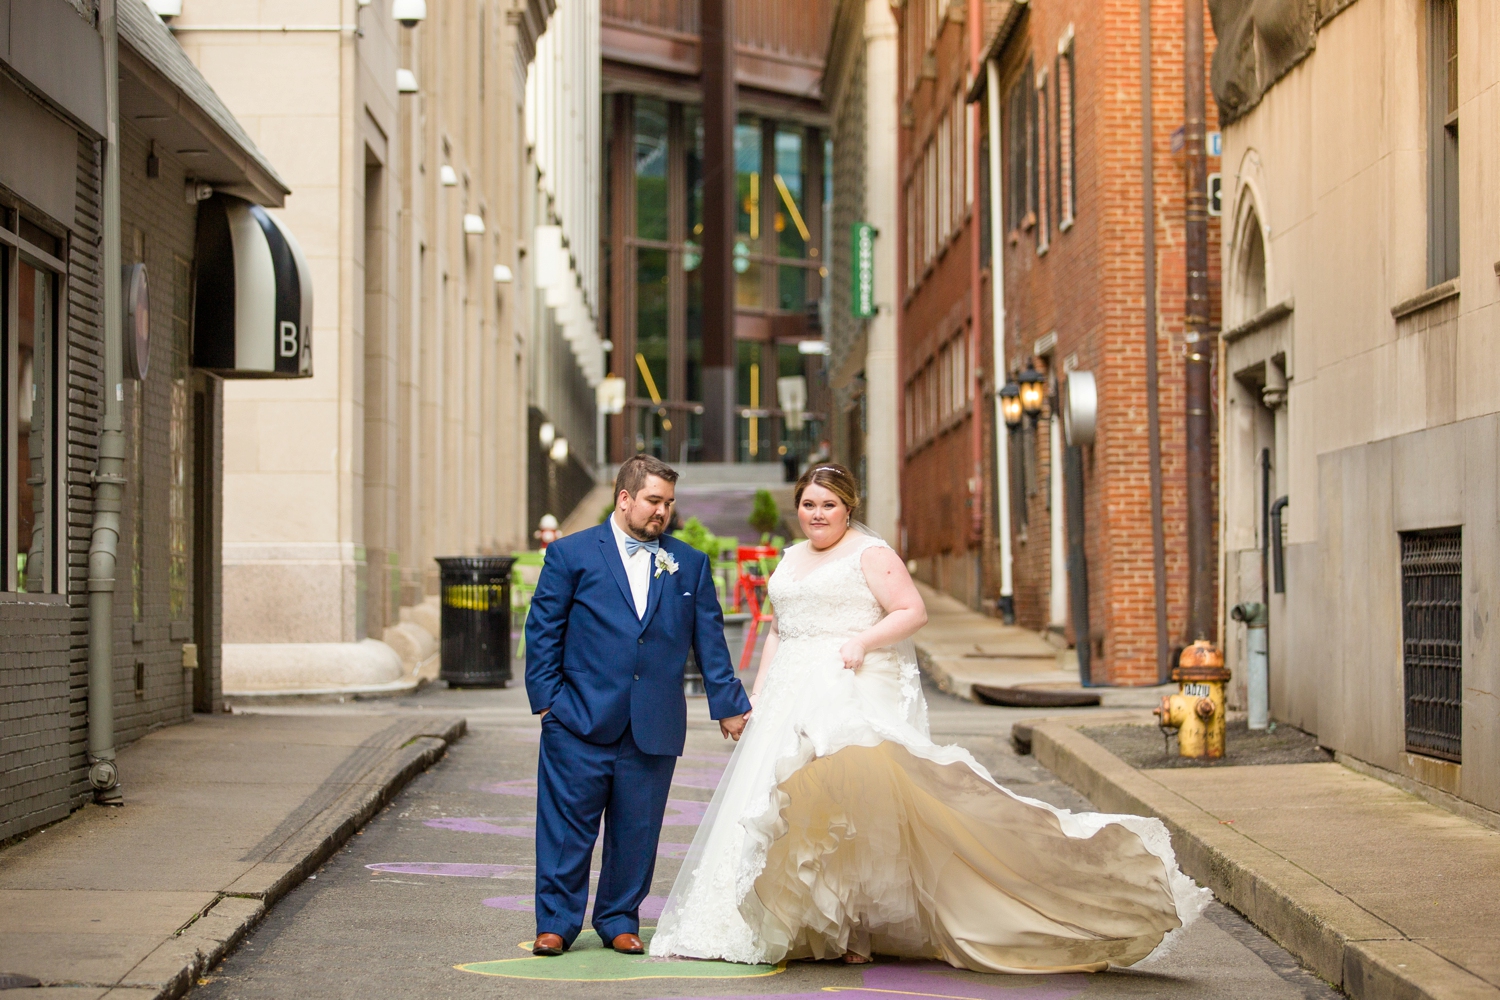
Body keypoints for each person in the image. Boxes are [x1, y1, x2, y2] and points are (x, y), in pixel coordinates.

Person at [650, 462, 1208, 972]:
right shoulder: (791, 559)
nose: (816, 514)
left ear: (849, 509)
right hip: (789, 693)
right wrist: (760, 691)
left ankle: (852, 927)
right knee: (779, 805)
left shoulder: (870, 555)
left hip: (844, 687)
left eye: (828, 506)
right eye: (808, 504)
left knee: (847, 805)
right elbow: (779, 627)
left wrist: (863, 641)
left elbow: (910, 610)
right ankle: (790, 923)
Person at [525, 454, 752, 957]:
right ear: (624, 498)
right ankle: (557, 923)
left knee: (638, 829)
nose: (662, 512)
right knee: (565, 829)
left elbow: (709, 641)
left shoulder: (688, 562)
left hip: (653, 721)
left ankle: (618, 918)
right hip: (578, 718)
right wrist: (548, 706)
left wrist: (729, 706)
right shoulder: (572, 555)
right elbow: (543, 632)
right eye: (653, 500)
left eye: (669, 503)